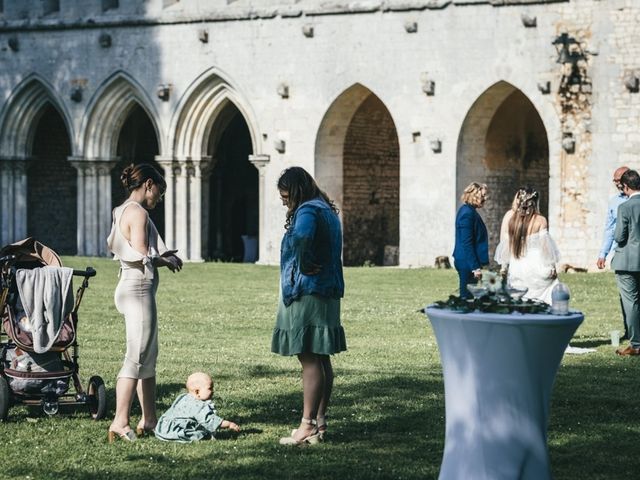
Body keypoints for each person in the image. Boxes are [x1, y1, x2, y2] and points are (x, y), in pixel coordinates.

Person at [106, 163, 183, 442]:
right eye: (158, 192)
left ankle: (150, 419)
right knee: (136, 356)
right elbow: (141, 255)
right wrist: (166, 259)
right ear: (148, 184)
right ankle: (120, 421)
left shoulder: (120, 210)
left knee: (148, 355)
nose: (159, 199)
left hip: (131, 287)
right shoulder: (137, 212)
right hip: (138, 289)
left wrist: (162, 257)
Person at [271, 166, 346, 446]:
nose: (285, 202)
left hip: (308, 290)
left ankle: (307, 425)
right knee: (322, 357)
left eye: (286, 196)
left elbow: (302, 237)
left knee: (309, 357)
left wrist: (302, 261)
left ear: (297, 191)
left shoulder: (307, 211)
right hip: (326, 290)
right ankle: (320, 422)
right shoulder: (325, 208)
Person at [494, 186, 560, 304]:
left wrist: (505, 267)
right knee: (547, 294)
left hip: (517, 265)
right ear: (535, 202)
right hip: (537, 264)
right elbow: (545, 247)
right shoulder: (540, 220)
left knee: (520, 300)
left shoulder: (512, 220)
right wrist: (552, 266)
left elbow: (506, 246)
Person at [154, 372, 240, 442]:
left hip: (163, 428)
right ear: (197, 392)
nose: (213, 391)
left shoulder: (184, 397)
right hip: (176, 431)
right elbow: (209, 420)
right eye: (210, 388)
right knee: (202, 434)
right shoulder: (198, 406)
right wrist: (229, 424)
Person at [597, 166, 630, 340]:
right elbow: (609, 230)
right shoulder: (614, 201)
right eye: (614, 181)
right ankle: (630, 331)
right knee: (625, 296)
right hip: (621, 254)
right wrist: (603, 254)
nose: (616, 184)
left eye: (619, 180)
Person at [612, 169, 640, 356]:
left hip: (628, 261)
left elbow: (619, 236)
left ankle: (636, 344)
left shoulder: (625, 207)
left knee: (631, 303)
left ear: (626, 186)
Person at [452, 182, 489, 298]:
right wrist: (475, 267)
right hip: (466, 262)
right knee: (466, 297)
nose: (485, 199)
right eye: (482, 196)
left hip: (467, 261)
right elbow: (466, 242)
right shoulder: (467, 213)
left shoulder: (469, 211)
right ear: (474, 196)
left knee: (469, 295)